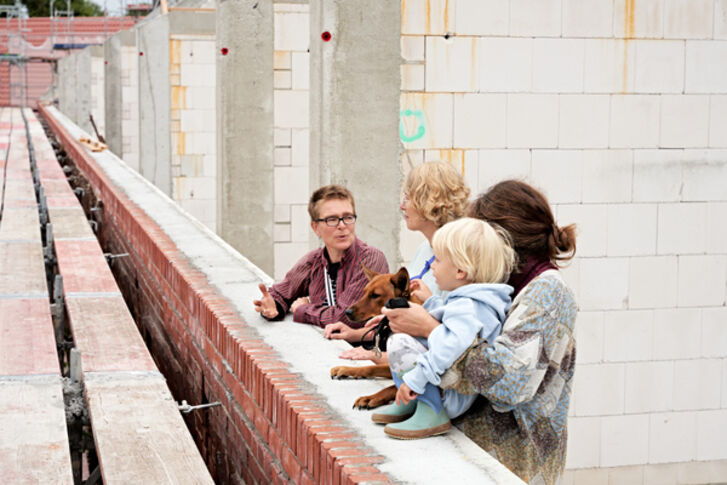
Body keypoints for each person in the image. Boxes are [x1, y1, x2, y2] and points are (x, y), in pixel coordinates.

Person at [381, 180, 577, 484]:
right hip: (477, 456)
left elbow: (511, 382)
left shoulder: (548, 293)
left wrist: (432, 330)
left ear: (505, 240)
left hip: (513, 465)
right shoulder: (500, 283)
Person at [374, 217, 515, 440]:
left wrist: (415, 379)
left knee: (399, 342)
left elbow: (450, 345)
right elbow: (452, 324)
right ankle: (412, 404)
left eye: (438, 260)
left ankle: (430, 410)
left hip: (449, 396)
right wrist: (430, 302)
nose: (431, 265)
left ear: (460, 271)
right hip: (452, 388)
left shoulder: (467, 306)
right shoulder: (473, 301)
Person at [323, 162, 470, 353]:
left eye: (408, 199)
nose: (402, 206)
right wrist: (357, 334)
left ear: (429, 202)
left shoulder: (459, 261)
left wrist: (375, 358)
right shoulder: (425, 249)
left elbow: (451, 341)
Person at [253, 184, 389, 328]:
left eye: (348, 217)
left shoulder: (370, 259)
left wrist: (303, 310)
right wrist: (271, 305)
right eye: (332, 219)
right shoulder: (314, 261)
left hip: (362, 348)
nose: (342, 225)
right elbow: (281, 293)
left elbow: (346, 318)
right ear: (315, 227)